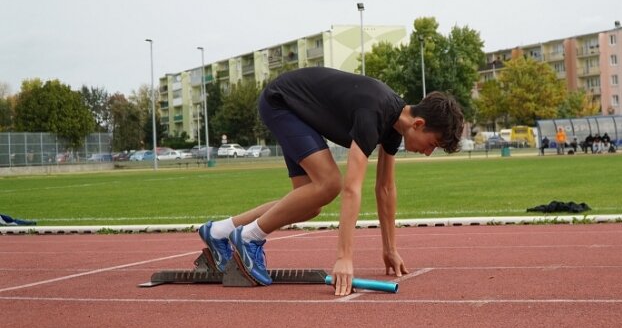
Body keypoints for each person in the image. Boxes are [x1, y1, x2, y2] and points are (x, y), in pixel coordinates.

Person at [198, 67, 464, 296]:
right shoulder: (374, 111)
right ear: (418, 123)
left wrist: (390, 249)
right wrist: (344, 258)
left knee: (308, 203)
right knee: (330, 183)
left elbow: (385, 189)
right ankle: (249, 237)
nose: (428, 152)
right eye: (433, 144)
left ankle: (219, 232)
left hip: (298, 111)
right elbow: (351, 187)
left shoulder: (394, 126)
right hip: (282, 103)